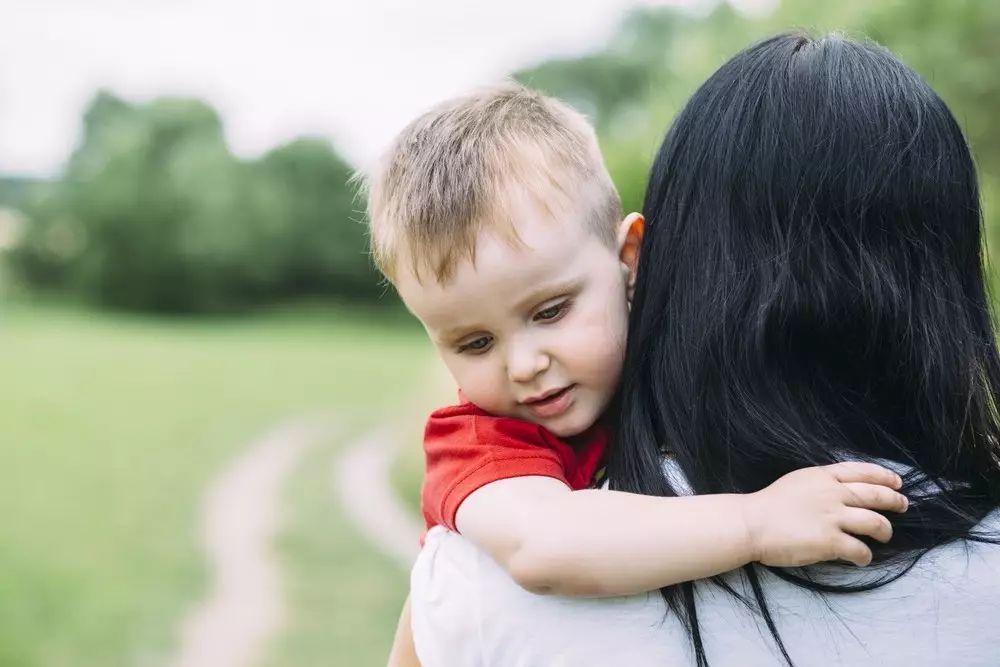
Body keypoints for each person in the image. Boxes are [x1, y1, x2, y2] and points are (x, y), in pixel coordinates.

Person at [408, 33, 1000, 666]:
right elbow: (543, 547)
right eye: (473, 342)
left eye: (552, 311)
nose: (525, 365)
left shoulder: (469, 582)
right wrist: (756, 523)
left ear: (634, 261)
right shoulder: (482, 448)